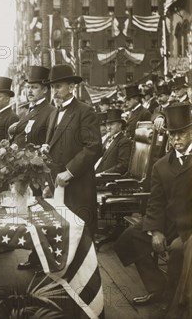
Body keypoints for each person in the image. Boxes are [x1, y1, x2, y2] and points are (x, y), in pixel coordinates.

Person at [115, 102, 192, 309]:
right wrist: (155, 230)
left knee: (177, 249)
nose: (176, 139)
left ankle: (175, 297)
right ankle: (158, 288)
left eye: (181, 134)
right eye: (172, 134)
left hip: (189, 228)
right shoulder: (161, 165)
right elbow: (155, 201)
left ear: (191, 132)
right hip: (168, 223)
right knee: (130, 238)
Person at [45, 65, 102, 233]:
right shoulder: (54, 113)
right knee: (62, 236)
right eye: (52, 87)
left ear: (71, 87)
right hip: (57, 186)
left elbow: (94, 147)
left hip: (78, 186)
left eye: (58, 86)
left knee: (80, 234)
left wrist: (69, 172)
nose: (54, 91)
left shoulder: (85, 111)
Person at [10, 66, 56, 148]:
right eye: (28, 87)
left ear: (44, 90)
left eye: (34, 87)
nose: (30, 91)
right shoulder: (24, 110)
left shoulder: (51, 112)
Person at [95, 109, 132, 175]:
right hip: (97, 174)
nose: (108, 128)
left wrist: (103, 174)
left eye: (111, 125)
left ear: (120, 125)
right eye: (107, 125)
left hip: (107, 179)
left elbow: (123, 166)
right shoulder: (108, 139)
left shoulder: (124, 142)